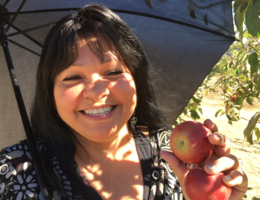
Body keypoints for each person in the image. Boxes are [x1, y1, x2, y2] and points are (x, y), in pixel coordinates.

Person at [0, 4, 248, 200]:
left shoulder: (173, 157)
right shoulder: (12, 173)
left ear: (136, 78)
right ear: (50, 90)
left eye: (113, 72)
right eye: (73, 77)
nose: (97, 92)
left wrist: (209, 193)